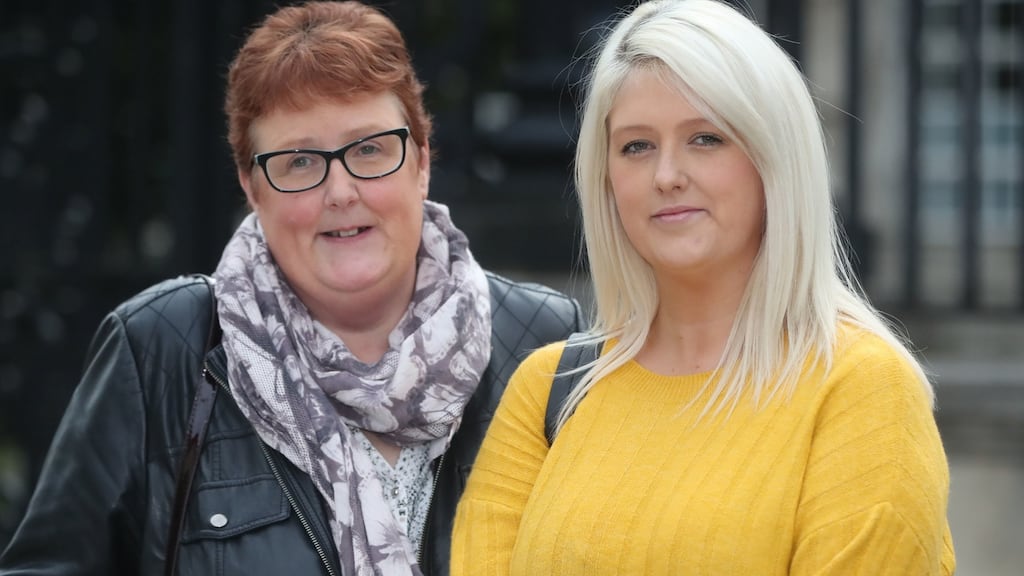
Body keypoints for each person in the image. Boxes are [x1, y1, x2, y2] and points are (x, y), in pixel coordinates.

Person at [0, 2, 585, 575]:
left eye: (369, 150)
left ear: (422, 160)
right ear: (252, 187)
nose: (340, 191)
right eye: (300, 162)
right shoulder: (162, 350)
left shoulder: (542, 344)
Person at [451, 0, 956, 574]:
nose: (667, 175)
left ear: (775, 159)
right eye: (636, 146)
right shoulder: (547, 390)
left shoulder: (861, 388)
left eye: (706, 138)